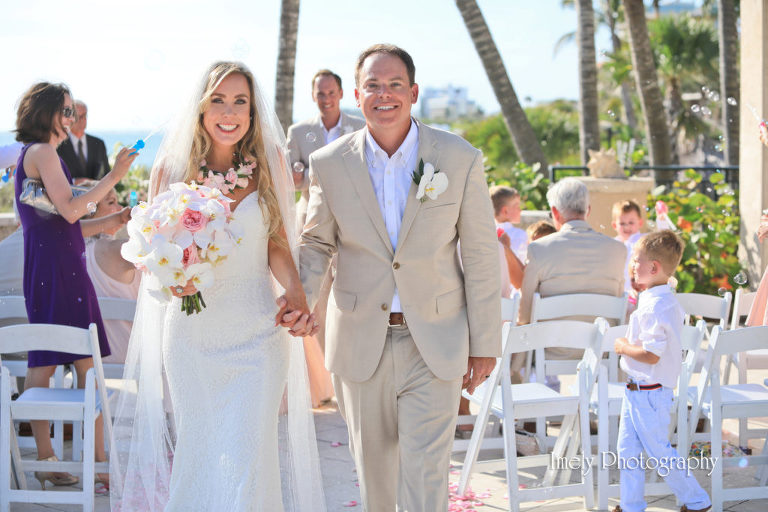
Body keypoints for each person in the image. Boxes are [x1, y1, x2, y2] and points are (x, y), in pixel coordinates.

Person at [287, 44, 501, 511]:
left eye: (395, 84)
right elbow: (317, 243)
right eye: (373, 86)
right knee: (375, 478)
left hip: (436, 343)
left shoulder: (458, 157)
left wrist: (485, 342)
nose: (384, 94)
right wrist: (299, 301)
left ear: (414, 92)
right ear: (357, 96)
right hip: (359, 341)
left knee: (426, 475)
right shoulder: (328, 163)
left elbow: (482, 253)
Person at [111, 61, 324, 512]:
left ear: (252, 111)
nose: (229, 112)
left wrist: (295, 291)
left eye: (240, 102)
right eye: (219, 101)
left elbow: (277, 243)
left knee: (250, 457)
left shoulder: (270, 162)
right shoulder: (171, 169)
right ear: (202, 109)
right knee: (199, 456)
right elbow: (154, 248)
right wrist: (173, 279)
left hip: (257, 334)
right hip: (193, 337)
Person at [13, 82, 136, 490]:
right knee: (57, 361)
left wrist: (111, 221)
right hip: (57, 269)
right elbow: (69, 211)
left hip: (56, 265)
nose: (71, 118)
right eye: (65, 110)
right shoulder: (43, 152)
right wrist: (115, 175)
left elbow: (64, 225)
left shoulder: (34, 154)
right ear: (46, 112)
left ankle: (80, 460)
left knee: (76, 363)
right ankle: (75, 461)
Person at [613, 231, 712, 512]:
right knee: (627, 450)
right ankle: (631, 505)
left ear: (654, 267)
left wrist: (623, 347)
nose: (632, 265)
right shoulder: (660, 298)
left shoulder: (655, 307)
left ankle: (697, 500)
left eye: (637, 260)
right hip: (638, 389)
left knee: (658, 451)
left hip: (650, 392)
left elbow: (652, 354)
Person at [287, 70, 365, 407]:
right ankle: (323, 382)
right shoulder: (298, 131)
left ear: (342, 93)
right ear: (313, 95)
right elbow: (291, 180)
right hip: (311, 223)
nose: (326, 99)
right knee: (315, 301)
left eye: (331, 92)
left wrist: (312, 174)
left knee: (349, 295)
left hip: (351, 222)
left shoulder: (360, 126)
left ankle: (349, 374)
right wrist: (303, 175)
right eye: (320, 93)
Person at [518, 178, 625, 389]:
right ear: (588, 210)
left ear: (555, 212)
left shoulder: (539, 249)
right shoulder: (617, 249)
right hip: (601, 347)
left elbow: (526, 311)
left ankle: (524, 403)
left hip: (552, 348)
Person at [82, 185, 141, 364]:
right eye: (111, 202)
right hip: (129, 359)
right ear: (89, 215)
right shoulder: (118, 251)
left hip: (89, 364)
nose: (120, 208)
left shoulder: (70, 257)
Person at [56, 100, 111, 180]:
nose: (82, 119)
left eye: (84, 115)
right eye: (78, 116)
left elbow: (106, 174)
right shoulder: (59, 145)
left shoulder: (98, 144)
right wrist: (74, 182)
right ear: (69, 118)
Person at [612, 200, 645, 296]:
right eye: (622, 223)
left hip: (639, 293)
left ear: (640, 223)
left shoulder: (643, 240)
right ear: (614, 225)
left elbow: (663, 241)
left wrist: (662, 220)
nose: (626, 227)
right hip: (618, 294)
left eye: (631, 222)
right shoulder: (613, 244)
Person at [490, 185, 527, 262]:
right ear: (505, 211)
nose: (520, 210)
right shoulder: (519, 235)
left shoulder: (487, 233)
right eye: (517, 206)